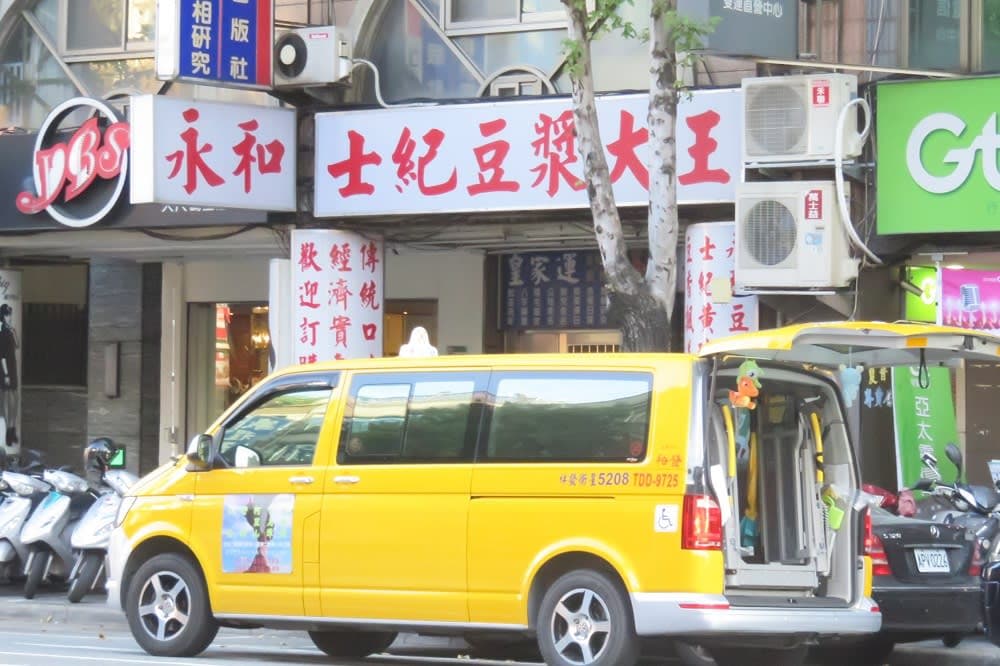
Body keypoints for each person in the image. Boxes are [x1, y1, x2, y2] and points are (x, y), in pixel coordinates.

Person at [0, 303, 18, 447]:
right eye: (7, 314)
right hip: (6, 368)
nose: (9, 317)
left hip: (12, 367)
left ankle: (12, 429)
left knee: (14, 398)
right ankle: (8, 431)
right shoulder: (2, 332)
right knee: (7, 398)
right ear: (3, 316)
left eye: (10, 314)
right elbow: (2, 356)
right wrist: (5, 373)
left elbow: (17, 345)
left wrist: (14, 331)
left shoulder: (9, 331)